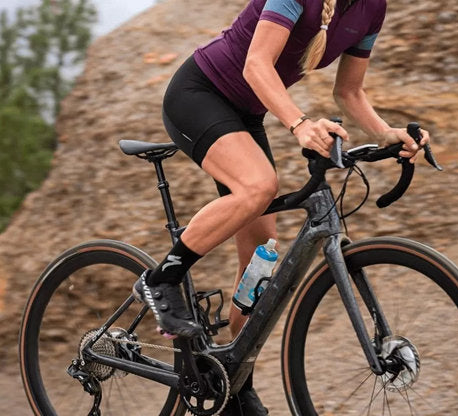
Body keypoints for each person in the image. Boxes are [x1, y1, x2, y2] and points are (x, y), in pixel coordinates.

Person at [134, 0, 430, 413]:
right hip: (198, 95)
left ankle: (233, 381)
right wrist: (300, 124)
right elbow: (257, 64)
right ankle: (162, 278)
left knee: (261, 257)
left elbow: (349, 91)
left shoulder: (371, 9)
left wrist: (386, 134)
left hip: (246, 114)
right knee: (258, 185)